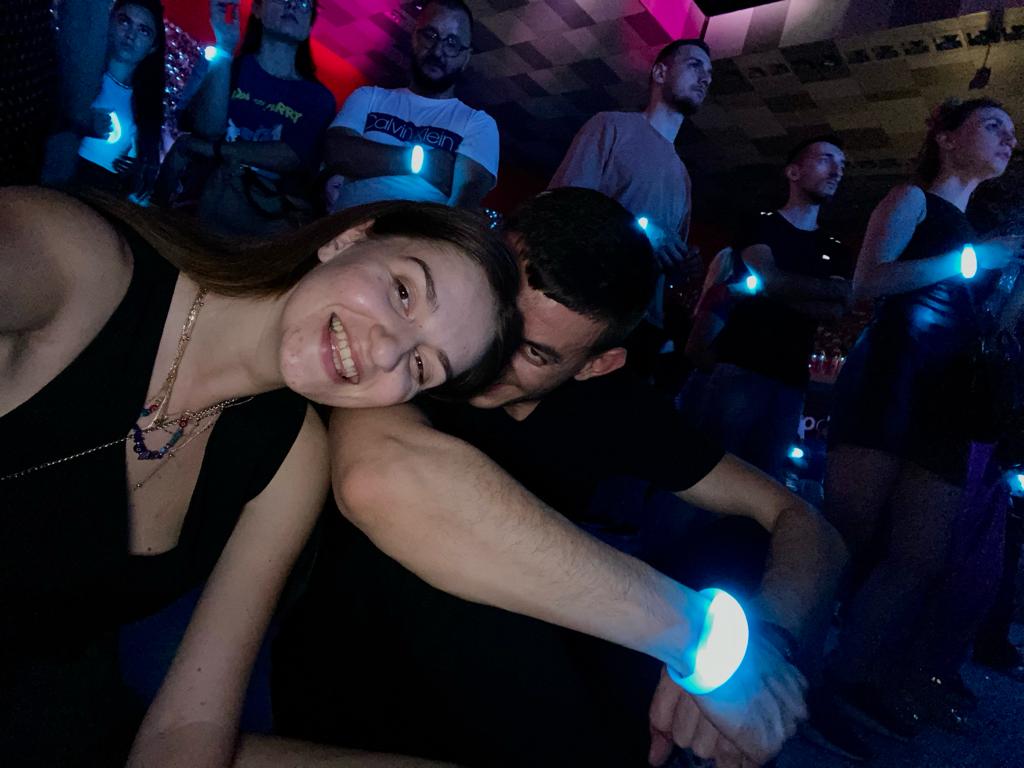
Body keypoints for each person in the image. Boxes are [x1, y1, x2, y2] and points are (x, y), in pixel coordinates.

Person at [275, 188, 846, 768]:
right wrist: (707, 648)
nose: (488, 350)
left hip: (506, 673)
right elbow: (386, 477)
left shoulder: (613, 405)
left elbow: (804, 523)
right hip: (346, 669)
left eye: (533, 352)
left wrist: (764, 646)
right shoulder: (411, 355)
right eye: (499, 306)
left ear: (596, 364)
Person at [0, 185, 520, 768]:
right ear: (348, 239)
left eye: (422, 366)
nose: (386, 353)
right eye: (404, 292)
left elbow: (190, 723)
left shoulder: (293, 461)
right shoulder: (80, 262)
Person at [824, 98, 1020, 739]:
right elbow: (866, 283)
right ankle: (791, 669)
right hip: (892, 373)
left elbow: (984, 320)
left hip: (948, 394)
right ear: (946, 137)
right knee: (846, 535)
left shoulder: (979, 233)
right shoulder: (910, 199)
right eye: (992, 125)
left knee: (918, 555)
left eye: (1012, 133)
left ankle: (846, 678)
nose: (1008, 139)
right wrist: (972, 260)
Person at [684, 137, 852, 480]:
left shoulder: (834, 246)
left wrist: (769, 292)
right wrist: (819, 291)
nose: (837, 170)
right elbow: (774, 280)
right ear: (793, 172)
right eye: (825, 160)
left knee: (761, 480)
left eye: (842, 165)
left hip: (791, 379)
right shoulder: (760, 223)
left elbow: (836, 308)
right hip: (741, 366)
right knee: (712, 475)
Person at [548, 38, 710, 377]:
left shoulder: (683, 175)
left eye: (709, 72)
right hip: (589, 306)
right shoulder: (610, 126)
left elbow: (664, 260)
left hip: (642, 324)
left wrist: (682, 263)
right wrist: (639, 236)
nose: (705, 77)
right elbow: (564, 208)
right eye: (695, 65)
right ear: (660, 72)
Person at [157, 0, 336, 235]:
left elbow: (292, 155)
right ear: (257, 9)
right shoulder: (225, 65)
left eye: (303, 3)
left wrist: (213, 150)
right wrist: (225, 48)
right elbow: (206, 128)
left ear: (310, 24)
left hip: (262, 228)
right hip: (195, 214)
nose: (292, 5)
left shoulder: (318, 98)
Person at [322, 0, 499, 211]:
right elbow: (337, 152)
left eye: (452, 43)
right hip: (347, 226)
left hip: (417, 231)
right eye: (430, 35)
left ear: (465, 57)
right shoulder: (368, 96)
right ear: (414, 36)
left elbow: (465, 200)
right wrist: (424, 163)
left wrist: (371, 158)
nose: (437, 51)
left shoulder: (478, 123)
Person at [65, 0, 166, 201]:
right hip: (60, 182)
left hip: (102, 196)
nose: (130, 35)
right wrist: (81, 123)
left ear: (153, 46)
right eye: (124, 21)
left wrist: (134, 171)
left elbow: (143, 173)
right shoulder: (75, 74)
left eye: (143, 30)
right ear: (110, 22)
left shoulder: (147, 108)